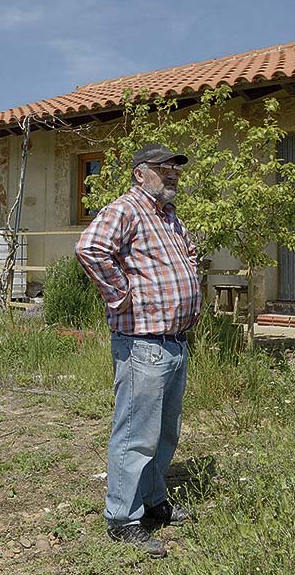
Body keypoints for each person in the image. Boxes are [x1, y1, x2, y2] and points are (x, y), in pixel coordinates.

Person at [75, 143, 201, 558]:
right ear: (140, 173)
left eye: (175, 169)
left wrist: (188, 278)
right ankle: (123, 519)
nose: (172, 175)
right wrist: (121, 295)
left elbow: (183, 258)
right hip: (143, 341)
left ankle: (152, 499)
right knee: (135, 434)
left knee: (165, 431)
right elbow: (90, 248)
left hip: (174, 340)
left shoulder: (169, 217)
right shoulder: (127, 208)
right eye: (163, 169)